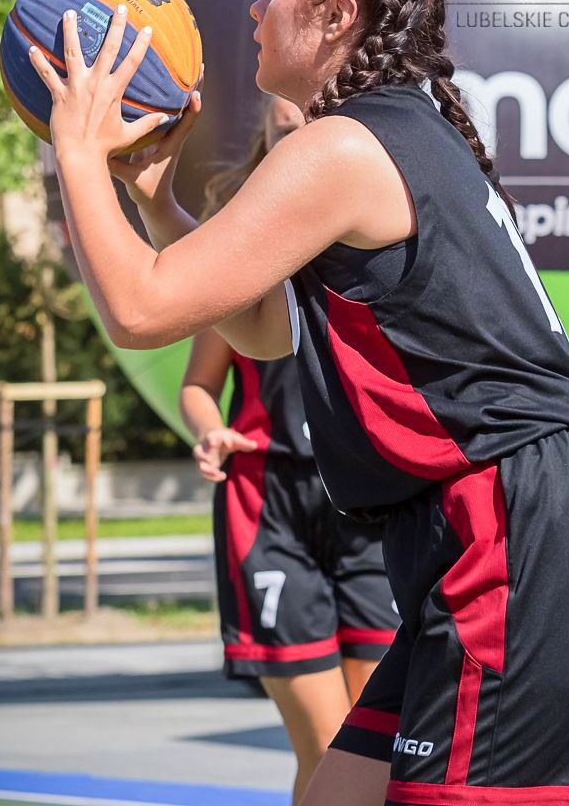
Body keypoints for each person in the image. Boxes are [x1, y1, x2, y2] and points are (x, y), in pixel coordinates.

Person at [30, 0, 569, 806]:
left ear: (335, 16)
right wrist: (156, 205)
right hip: (512, 531)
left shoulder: (343, 146)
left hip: (516, 540)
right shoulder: (389, 133)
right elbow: (265, 331)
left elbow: (140, 311)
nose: (256, 10)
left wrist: (75, 152)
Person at [180, 96, 397, 804]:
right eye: (282, 126)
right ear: (266, 138)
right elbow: (198, 385)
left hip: (366, 497)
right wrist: (207, 429)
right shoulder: (237, 250)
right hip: (268, 499)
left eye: (307, 124)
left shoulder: (374, 238)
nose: (296, 133)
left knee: (375, 753)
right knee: (330, 747)